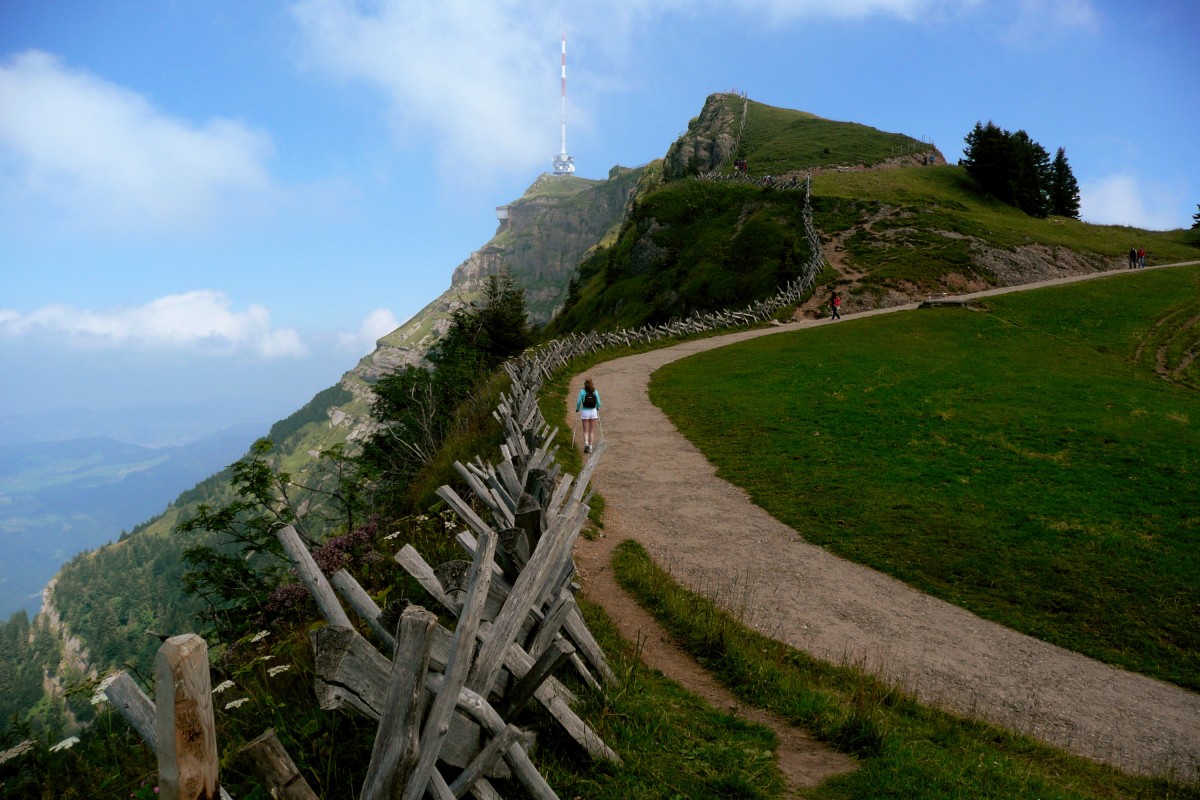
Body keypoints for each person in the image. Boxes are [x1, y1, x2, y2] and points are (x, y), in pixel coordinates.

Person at [575, 378, 601, 453]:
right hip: (593, 412)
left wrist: (577, 409)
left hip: (585, 412)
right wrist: (598, 408)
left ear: (585, 384)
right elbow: (599, 403)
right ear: (592, 384)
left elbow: (578, 402)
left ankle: (586, 443)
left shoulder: (582, 391)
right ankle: (590, 447)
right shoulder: (595, 391)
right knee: (591, 431)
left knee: (585, 430)